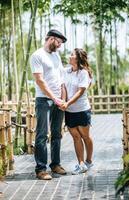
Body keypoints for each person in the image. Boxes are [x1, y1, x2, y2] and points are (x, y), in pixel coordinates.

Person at [30, 29, 67, 180]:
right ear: (51, 39)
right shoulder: (37, 56)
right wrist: (54, 98)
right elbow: (40, 81)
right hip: (43, 100)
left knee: (57, 133)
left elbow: (61, 78)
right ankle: (41, 169)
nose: (59, 46)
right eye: (58, 42)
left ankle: (55, 165)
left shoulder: (56, 55)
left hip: (58, 100)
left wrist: (62, 99)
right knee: (42, 135)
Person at [61, 48, 93, 175]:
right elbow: (62, 86)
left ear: (78, 58)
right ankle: (80, 164)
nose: (69, 56)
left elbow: (80, 92)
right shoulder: (65, 71)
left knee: (85, 136)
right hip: (69, 111)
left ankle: (88, 161)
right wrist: (64, 101)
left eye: (72, 55)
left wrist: (67, 103)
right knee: (75, 137)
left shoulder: (83, 73)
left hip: (82, 109)